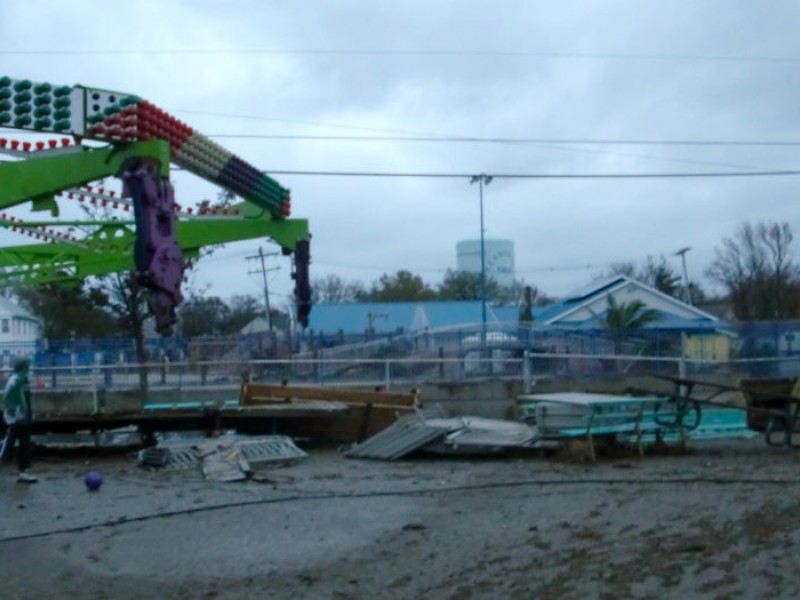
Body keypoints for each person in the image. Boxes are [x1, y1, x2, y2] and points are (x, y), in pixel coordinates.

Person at [2, 357, 37, 483]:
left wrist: (28, 413)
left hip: (24, 418)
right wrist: (14, 412)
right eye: (27, 366)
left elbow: (26, 399)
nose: (29, 368)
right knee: (7, 444)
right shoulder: (15, 380)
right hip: (14, 419)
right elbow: (7, 398)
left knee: (25, 445)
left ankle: (24, 472)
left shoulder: (24, 380)